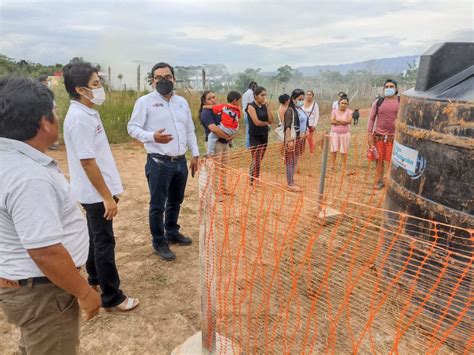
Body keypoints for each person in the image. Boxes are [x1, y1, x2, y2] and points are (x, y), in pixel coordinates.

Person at [0, 75, 101, 354]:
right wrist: (84, 292)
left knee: (34, 345)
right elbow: (45, 253)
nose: (57, 117)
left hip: (29, 286)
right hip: (44, 292)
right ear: (44, 122)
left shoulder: (11, 161)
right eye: (55, 112)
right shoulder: (29, 178)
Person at [62, 62, 138, 312]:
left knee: (96, 237)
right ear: (80, 89)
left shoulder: (87, 113)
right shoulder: (80, 119)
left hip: (96, 190)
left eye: (99, 82)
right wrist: (107, 197)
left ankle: (94, 277)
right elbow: (87, 161)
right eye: (95, 84)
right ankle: (112, 296)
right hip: (95, 193)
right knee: (105, 241)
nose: (100, 88)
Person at [128, 62, 199, 261]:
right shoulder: (145, 102)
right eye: (158, 78)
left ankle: (172, 232)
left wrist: (195, 154)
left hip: (180, 162)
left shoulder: (182, 102)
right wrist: (152, 136)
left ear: (174, 79)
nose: (163, 81)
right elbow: (132, 128)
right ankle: (159, 241)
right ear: (152, 81)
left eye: (167, 77)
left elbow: (189, 130)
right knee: (158, 204)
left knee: (176, 200)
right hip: (159, 162)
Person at [199, 90, 235, 196]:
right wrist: (227, 136)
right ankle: (215, 192)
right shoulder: (206, 112)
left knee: (224, 167)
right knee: (215, 169)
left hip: (225, 143)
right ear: (205, 102)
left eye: (214, 97)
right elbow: (213, 128)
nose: (213, 100)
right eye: (209, 99)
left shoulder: (220, 110)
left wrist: (231, 135)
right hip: (215, 144)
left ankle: (223, 188)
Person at [367, 79, 400, 189]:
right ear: (383, 89)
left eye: (391, 86)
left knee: (394, 161)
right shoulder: (378, 102)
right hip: (379, 136)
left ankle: (392, 183)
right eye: (387, 87)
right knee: (379, 159)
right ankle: (380, 180)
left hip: (395, 138)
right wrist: (369, 133)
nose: (389, 88)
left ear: (396, 89)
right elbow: (371, 119)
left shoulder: (401, 102)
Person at [246, 86, 273, 184]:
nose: (264, 97)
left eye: (265, 95)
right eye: (262, 95)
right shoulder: (250, 106)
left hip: (264, 135)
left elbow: (271, 120)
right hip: (254, 136)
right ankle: (252, 179)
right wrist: (266, 123)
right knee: (256, 158)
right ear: (255, 96)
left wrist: (268, 108)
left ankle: (255, 177)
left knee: (260, 158)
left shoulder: (264, 106)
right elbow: (256, 122)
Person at [284, 89, 308, 192]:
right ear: (293, 99)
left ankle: (292, 181)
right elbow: (287, 127)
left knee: (295, 161)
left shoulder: (301, 110)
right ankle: (290, 184)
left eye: (303, 99)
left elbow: (304, 123)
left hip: (300, 140)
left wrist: (306, 132)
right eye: (299, 99)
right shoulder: (290, 111)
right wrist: (289, 141)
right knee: (290, 161)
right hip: (293, 140)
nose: (302, 101)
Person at [207, 91, 241, 155]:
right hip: (235, 129)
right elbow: (238, 117)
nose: (239, 103)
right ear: (235, 101)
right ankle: (230, 142)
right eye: (239, 101)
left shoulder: (223, 106)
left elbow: (212, 107)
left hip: (226, 129)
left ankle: (210, 152)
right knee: (231, 124)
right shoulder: (238, 109)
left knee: (211, 136)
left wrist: (204, 107)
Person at [330, 96, 352, 172]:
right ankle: (333, 165)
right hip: (335, 133)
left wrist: (337, 121)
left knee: (344, 150)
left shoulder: (349, 111)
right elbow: (332, 121)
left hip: (345, 134)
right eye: (342, 103)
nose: (343, 105)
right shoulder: (334, 111)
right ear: (339, 103)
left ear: (347, 104)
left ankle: (344, 166)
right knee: (333, 149)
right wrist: (343, 122)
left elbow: (349, 121)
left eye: (345, 103)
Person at [303, 90, 320, 154]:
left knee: (309, 138)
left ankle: (311, 151)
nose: (308, 96)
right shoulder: (301, 102)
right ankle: (301, 151)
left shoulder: (315, 104)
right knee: (301, 138)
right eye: (307, 94)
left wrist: (314, 125)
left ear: (312, 96)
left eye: (310, 95)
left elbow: (317, 115)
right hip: (302, 124)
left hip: (310, 124)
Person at [242, 81, 258, 149]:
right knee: (250, 131)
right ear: (253, 87)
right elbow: (253, 104)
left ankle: (249, 146)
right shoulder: (251, 94)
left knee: (248, 130)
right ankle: (249, 147)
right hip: (249, 114)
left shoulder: (245, 93)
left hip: (245, 114)